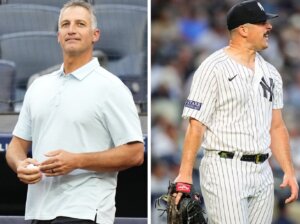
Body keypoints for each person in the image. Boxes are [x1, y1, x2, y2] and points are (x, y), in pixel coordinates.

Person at [5, 1, 144, 223]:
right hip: (37, 212)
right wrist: (20, 164)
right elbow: (15, 147)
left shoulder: (111, 87)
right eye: (65, 24)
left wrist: (77, 161)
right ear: (58, 35)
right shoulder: (39, 86)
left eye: (80, 24)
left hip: (85, 212)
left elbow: (135, 152)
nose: (71, 30)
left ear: (94, 34)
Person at [174, 1, 299, 223]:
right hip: (224, 167)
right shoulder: (213, 67)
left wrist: (289, 170)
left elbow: (277, 126)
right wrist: (184, 175)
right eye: (262, 23)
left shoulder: (271, 73)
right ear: (243, 29)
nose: (269, 27)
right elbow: (196, 124)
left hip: (263, 171)